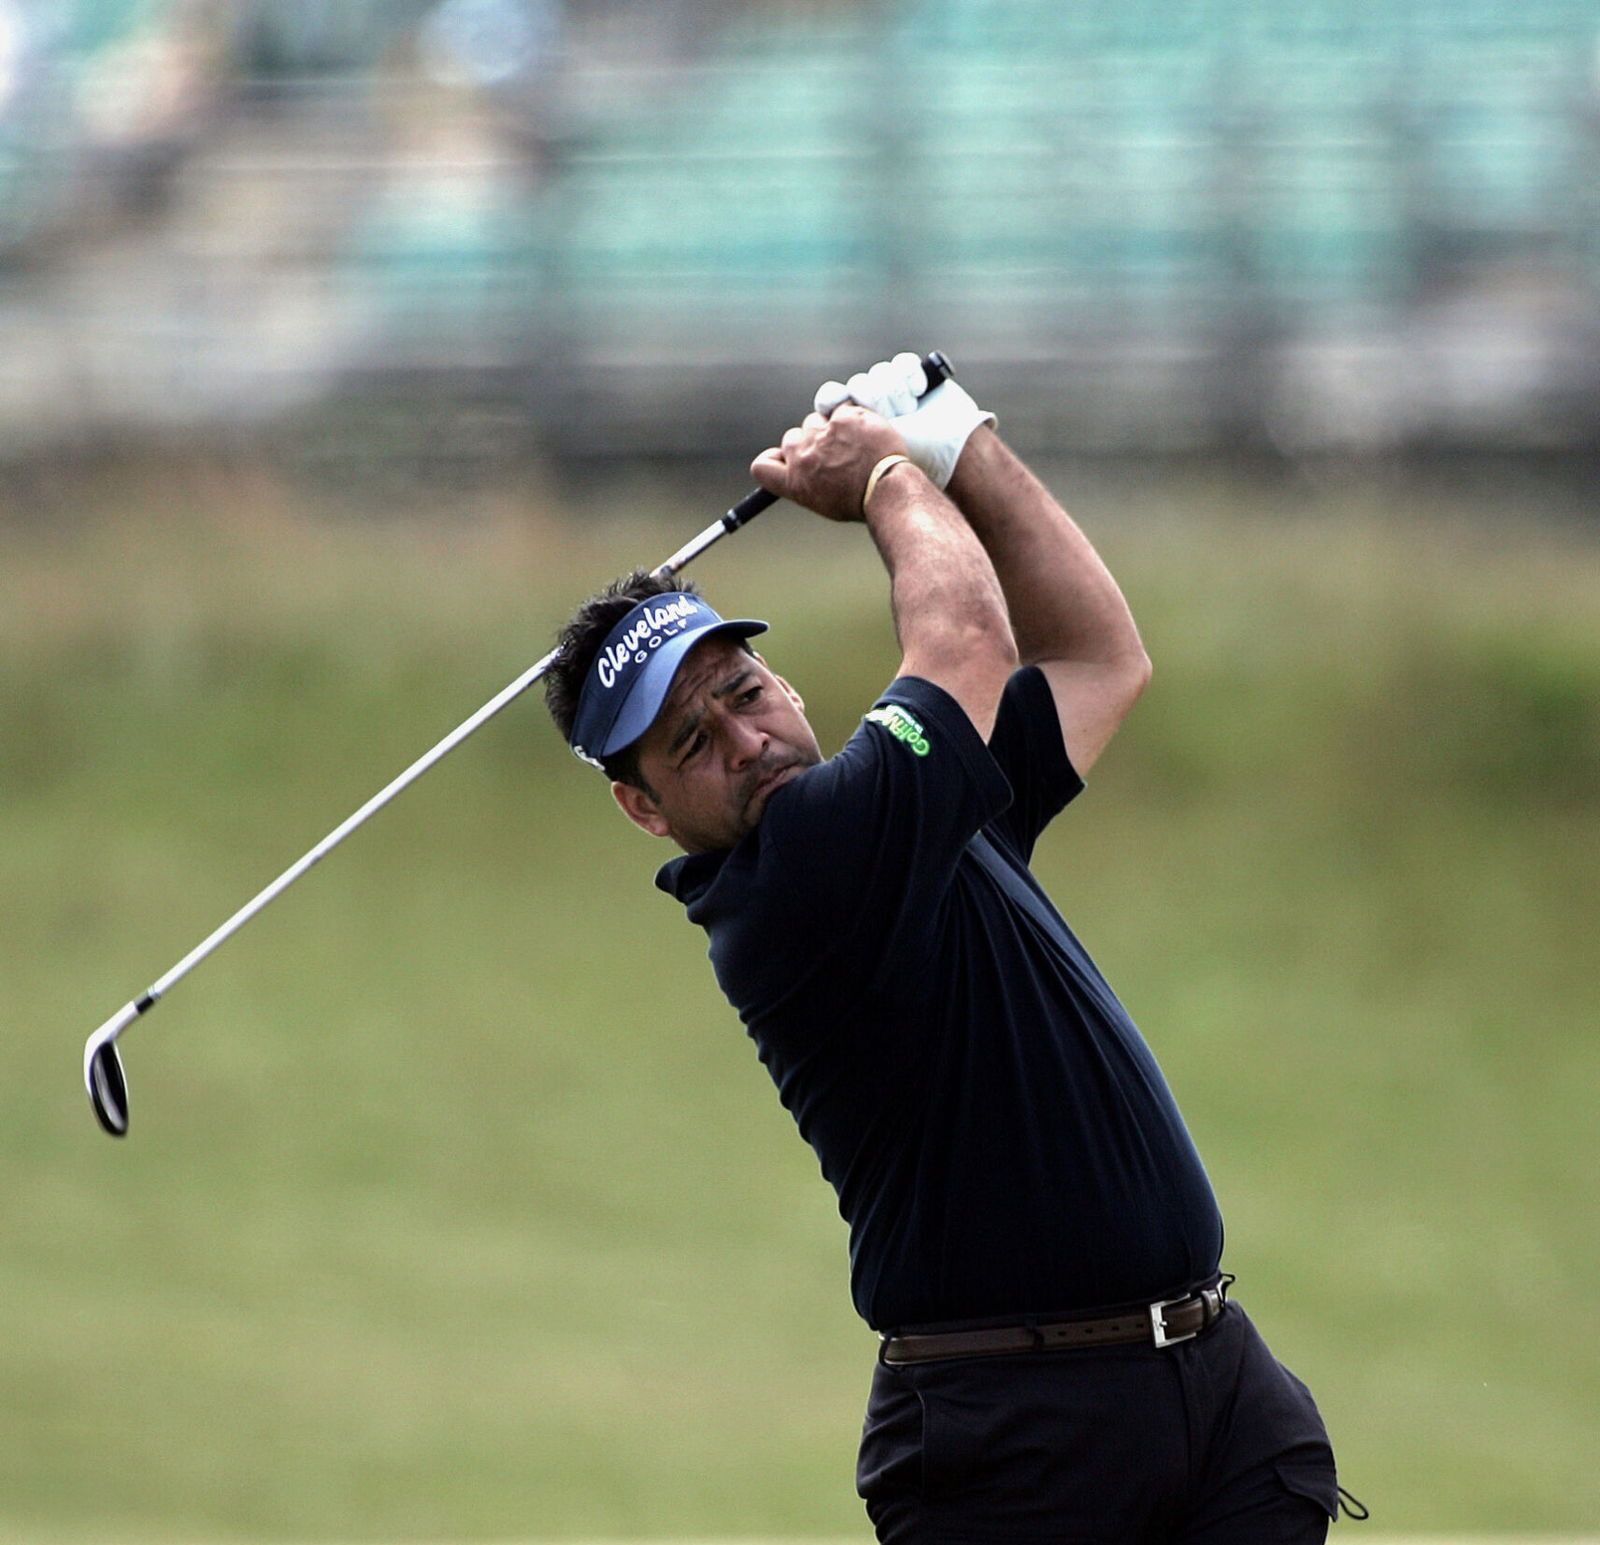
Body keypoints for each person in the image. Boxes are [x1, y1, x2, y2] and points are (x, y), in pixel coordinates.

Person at [542, 354, 1349, 1542]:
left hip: (1211, 1392)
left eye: (743, 692)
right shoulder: (796, 874)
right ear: (644, 809)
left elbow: (1095, 657)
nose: (746, 740)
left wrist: (962, 444)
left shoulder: (911, 807)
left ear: (782, 681)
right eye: (691, 743)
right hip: (1015, 1445)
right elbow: (966, 639)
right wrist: (886, 474)